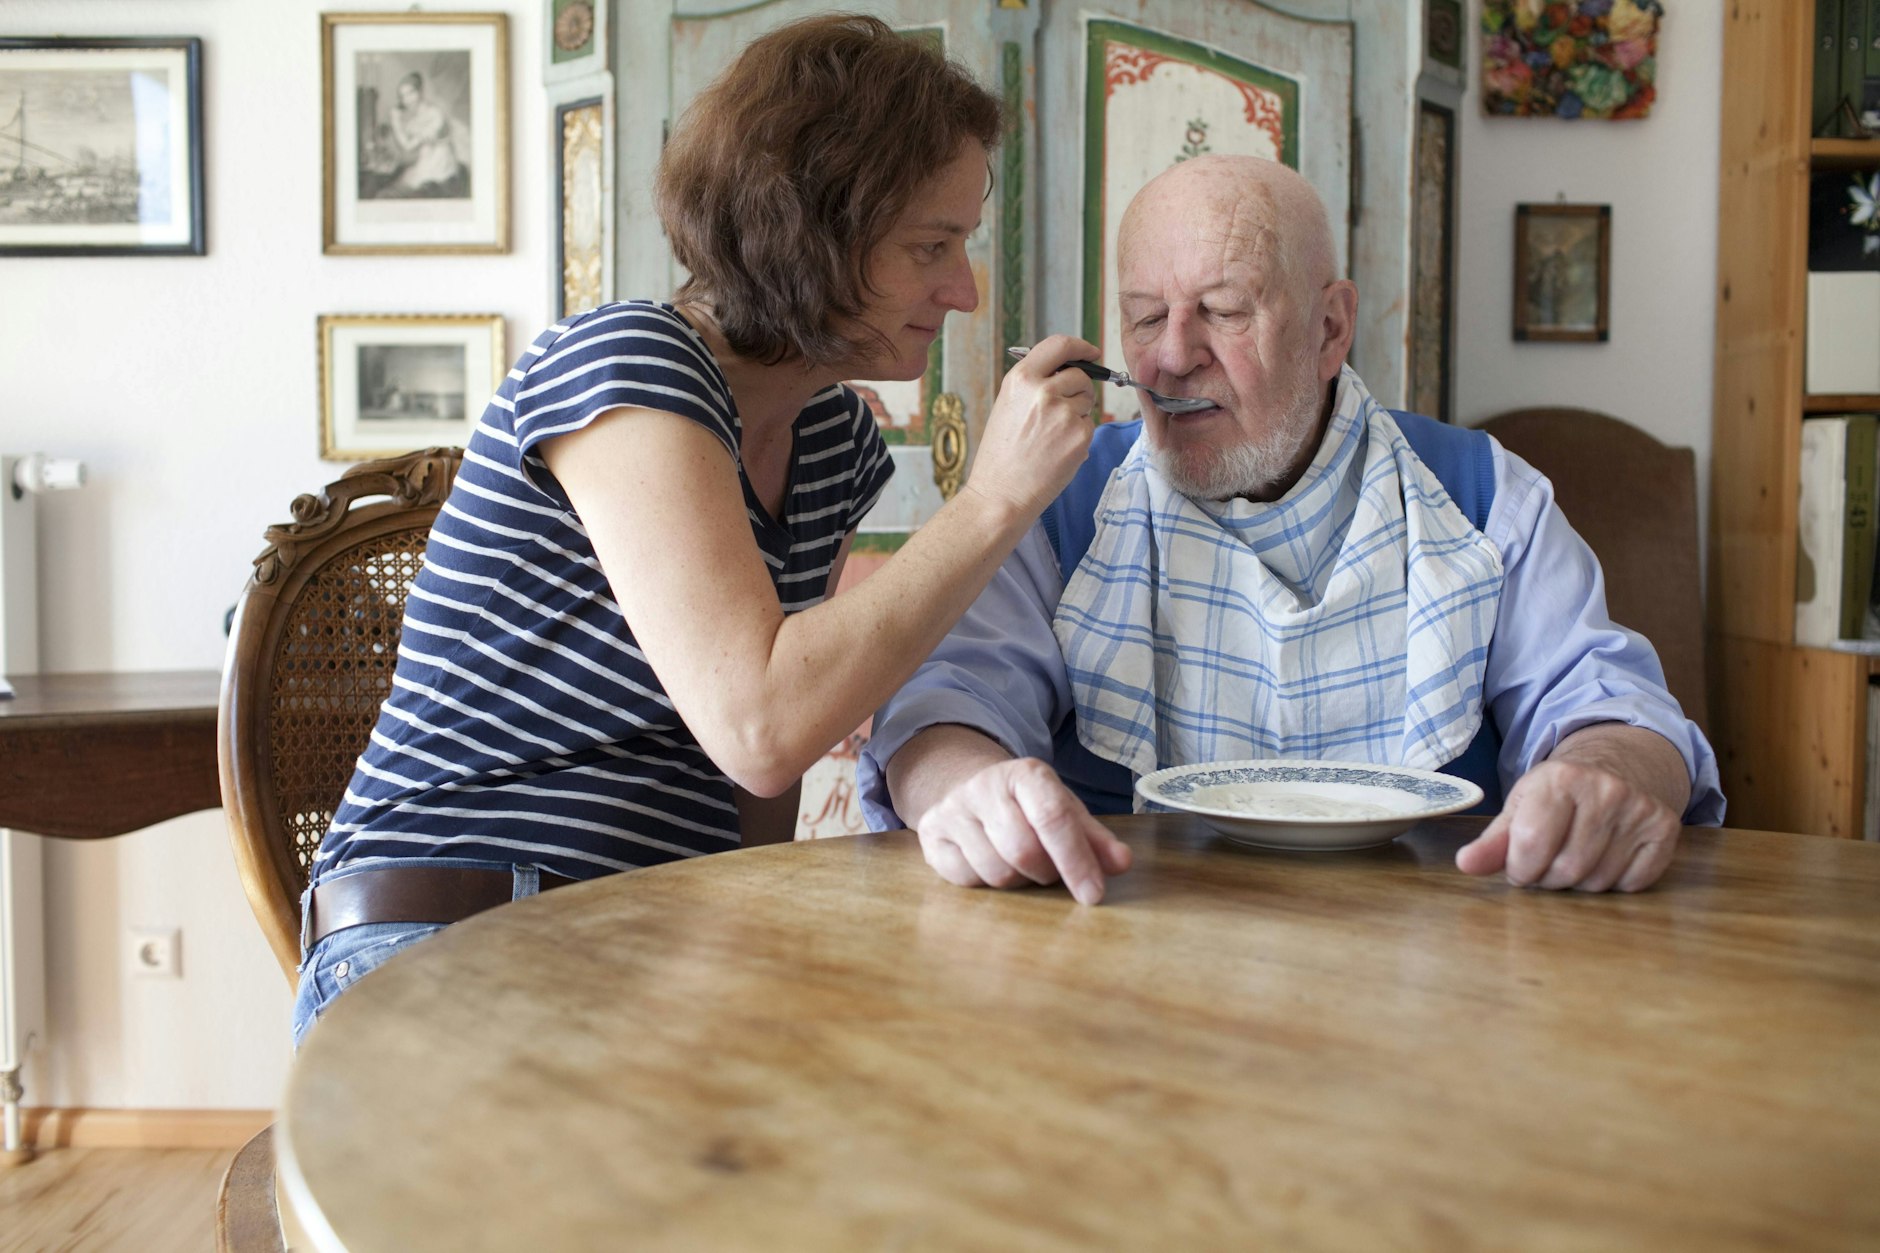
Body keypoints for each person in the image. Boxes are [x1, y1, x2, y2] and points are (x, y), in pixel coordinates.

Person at [291, 15, 1101, 1043]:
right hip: (450, 928)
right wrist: (995, 496)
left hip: (631, 936)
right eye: (928, 247)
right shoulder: (628, 363)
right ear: (812, 230)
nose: (964, 290)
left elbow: (744, 795)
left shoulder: (830, 440)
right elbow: (758, 723)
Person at [859, 155, 1724, 906]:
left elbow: (1615, 708)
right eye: (1146, 316)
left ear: (1331, 327)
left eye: (1225, 310)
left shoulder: (1484, 495)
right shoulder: (1056, 502)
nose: (1170, 356)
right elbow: (950, 704)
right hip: (1123, 944)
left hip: (1445, 963)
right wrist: (966, 787)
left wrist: (1608, 776)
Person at [383, 72, 468, 199]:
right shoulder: (414, 119)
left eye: (410, 93)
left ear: (420, 92)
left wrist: (395, 122)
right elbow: (406, 149)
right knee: (388, 191)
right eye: (402, 96)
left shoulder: (434, 115)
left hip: (439, 171)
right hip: (425, 166)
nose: (406, 100)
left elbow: (408, 146)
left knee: (394, 194)